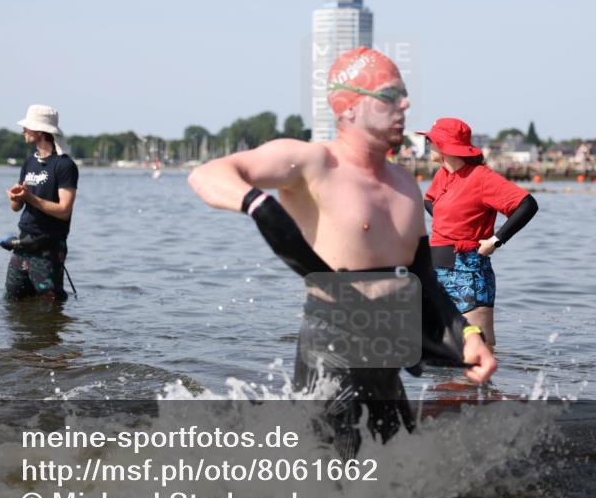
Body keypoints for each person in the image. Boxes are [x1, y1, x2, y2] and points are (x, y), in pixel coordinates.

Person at [188, 47, 495, 458]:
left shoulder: (404, 184)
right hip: (332, 354)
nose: (404, 104)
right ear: (348, 106)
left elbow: (426, 284)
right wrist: (259, 206)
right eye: (389, 95)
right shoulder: (313, 162)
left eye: (404, 94)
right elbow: (207, 174)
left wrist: (468, 335)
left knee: (399, 478)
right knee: (341, 488)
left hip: (388, 360)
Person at [419, 118, 537, 350]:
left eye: (430, 140)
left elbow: (527, 204)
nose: (427, 144)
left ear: (445, 145)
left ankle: (485, 388)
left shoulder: (481, 177)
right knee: (445, 349)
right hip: (437, 270)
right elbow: (429, 200)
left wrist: (496, 240)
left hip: (468, 271)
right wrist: (451, 224)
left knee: (479, 347)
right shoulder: (443, 174)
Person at [4, 105, 78, 300]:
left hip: (48, 250)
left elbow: (64, 210)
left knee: (50, 307)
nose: (23, 130)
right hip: (22, 245)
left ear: (40, 131)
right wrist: (15, 198)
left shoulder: (64, 165)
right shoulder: (29, 161)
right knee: (12, 305)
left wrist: (30, 198)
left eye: (27, 126)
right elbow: (16, 208)